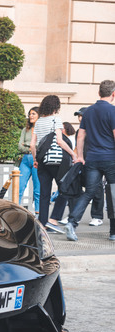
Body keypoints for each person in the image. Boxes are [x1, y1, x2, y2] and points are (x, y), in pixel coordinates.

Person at [65, 80, 115, 242]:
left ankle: (72, 222)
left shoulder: (88, 112)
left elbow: (80, 135)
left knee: (89, 193)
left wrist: (80, 156)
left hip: (92, 159)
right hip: (110, 159)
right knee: (113, 194)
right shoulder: (113, 111)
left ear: (99, 93)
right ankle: (113, 232)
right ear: (113, 94)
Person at [30, 95, 76, 231]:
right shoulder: (56, 119)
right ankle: (54, 219)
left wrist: (35, 160)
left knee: (44, 192)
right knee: (65, 189)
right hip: (57, 161)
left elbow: (32, 145)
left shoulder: (38, 122)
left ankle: (42, 223)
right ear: (56, 106)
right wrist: (73, 154)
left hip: (42, 161)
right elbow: (60, 141)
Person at [74, 107, 105, 226]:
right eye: (79, 116)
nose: (80, 118)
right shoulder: (79, 131)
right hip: (81, 163)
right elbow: (78, 146)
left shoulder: (95, 129)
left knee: (96, 189)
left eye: (82, 115)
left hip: (95, 162)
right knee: (76, 187)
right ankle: (75, 215)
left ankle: (97, 216)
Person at [17, 107, 40, 215]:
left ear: (39, 115)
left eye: (33, 114)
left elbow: (40, 146)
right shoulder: (25, 130)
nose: (31, 116)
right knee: (20, 186)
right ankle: (15, 208)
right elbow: (19, 146)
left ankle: (38, 211)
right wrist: (30, 147)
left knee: (37, 188)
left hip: (37, 160)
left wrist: (28, 146)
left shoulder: (41, 130)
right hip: (25, 159)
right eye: (30, 114)